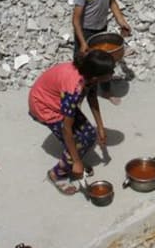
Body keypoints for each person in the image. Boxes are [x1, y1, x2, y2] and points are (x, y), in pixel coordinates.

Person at [29, 50, 116, 195]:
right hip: (45, 107)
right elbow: (66, 128)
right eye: (110, 72)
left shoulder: (89, 74)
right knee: (79, 140)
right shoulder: (74, 89)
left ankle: (73, 160)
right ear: (96, 77)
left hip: (58, 101)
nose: (113, 73)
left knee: (88, 135)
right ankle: (57, 174)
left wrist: (100, 127)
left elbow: (92, 97)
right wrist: (76, 161)